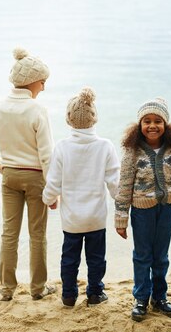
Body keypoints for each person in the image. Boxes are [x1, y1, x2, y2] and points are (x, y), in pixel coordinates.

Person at [0, 47, 56, 302]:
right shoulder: (37, 110)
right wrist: (52, 189)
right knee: (37, 235)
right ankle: (38, 288)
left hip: (9, 176)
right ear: (32, 81)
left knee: (9, 233)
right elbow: (46, 155)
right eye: (42, 82)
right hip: (35, 179)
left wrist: (1, 166)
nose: (43, 87)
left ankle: (6, 289)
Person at [42, 87, 120, 308]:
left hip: (71, 220)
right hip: (96, 217)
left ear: (68, 119)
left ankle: (68, 295)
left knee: (70, 259)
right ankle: (95, 293)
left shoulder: (63, 147)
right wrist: (122, 202)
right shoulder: (105, 146)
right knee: (96, 259)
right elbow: (114, 181)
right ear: (94, 118)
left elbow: (54, 181)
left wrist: (49, 199)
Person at [114, 97, 171, 322]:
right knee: (142, 256)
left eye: (158, 121)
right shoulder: (133, 151)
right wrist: (120, 217)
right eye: (147, 121)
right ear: (140, 125)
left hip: (166, 210)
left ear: (166, 124)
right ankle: (140, 298)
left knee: (161, 256)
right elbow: (124, 185)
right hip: (141, 212)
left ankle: (160, 297)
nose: (152, 125)